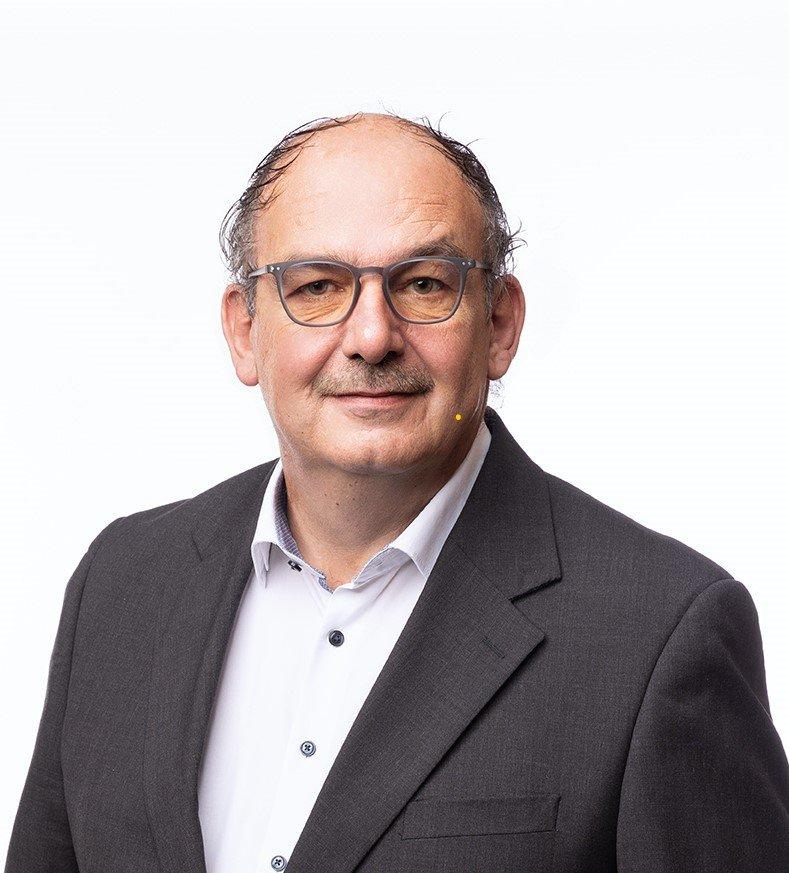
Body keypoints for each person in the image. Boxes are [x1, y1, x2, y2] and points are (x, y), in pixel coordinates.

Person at [5, 111, 788, 873]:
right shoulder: (123, 583)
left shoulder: (658, 632)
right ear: (244, 330)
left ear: (499, 324)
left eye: (422, 284)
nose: (372, 336)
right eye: (317, 286)